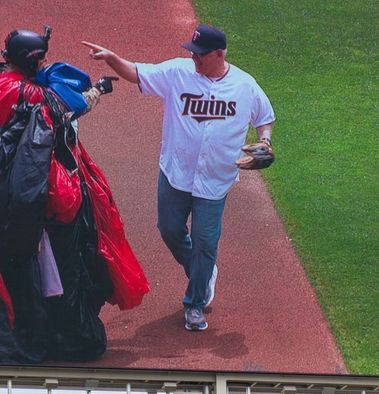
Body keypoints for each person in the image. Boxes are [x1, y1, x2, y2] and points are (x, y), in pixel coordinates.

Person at [0, 27, 148, 364]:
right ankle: (35, 335)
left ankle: (22, 326)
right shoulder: (26, 95)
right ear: (31, 60)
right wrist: (97, 90)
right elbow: (64, 108)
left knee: (10, 271)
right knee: (24, 269)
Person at [84, 25, 276, 332]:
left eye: (200, 55)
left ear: (219, 54)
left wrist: (265, 141)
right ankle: (202, 271)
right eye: (192, 53)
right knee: (170, 230)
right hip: (176, 173)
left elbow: (264, 119)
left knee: (205, 241)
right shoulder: (178, 72)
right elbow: (136, 73)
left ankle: (195, 303)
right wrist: (111, 58)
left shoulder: (245, 85)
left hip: (215, 180)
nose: (195, 59)